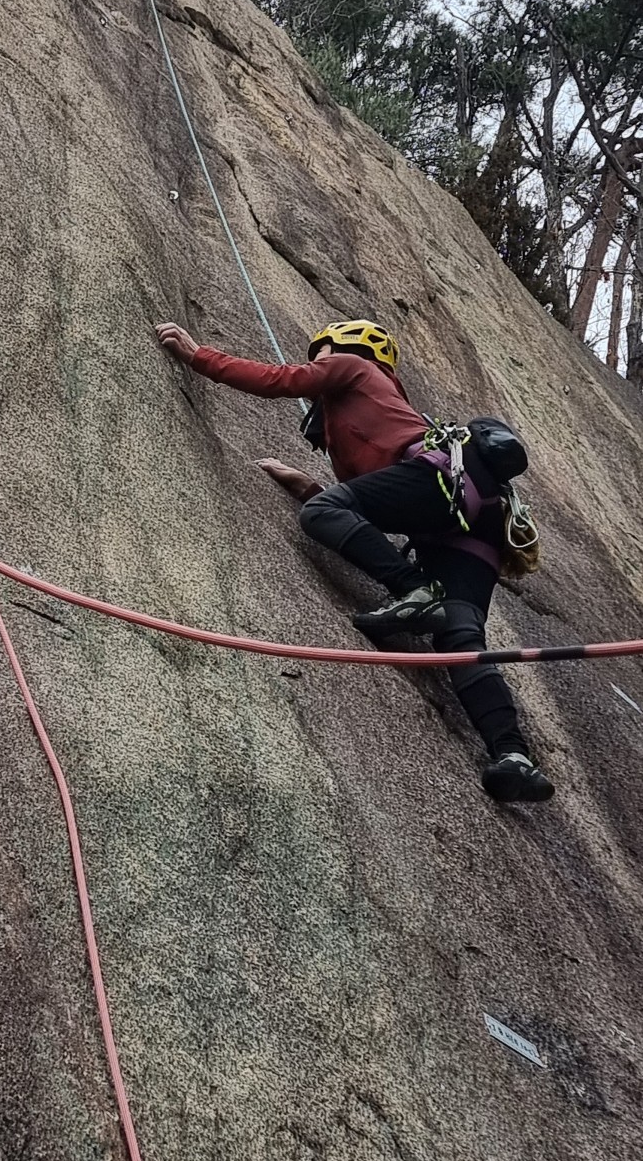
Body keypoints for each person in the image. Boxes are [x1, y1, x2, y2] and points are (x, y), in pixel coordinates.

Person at [156, 316, 554, 805]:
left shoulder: (354, 368)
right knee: (461, 640)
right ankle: (513, 756)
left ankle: (414, 590)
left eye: (320, 350)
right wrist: (308, 486)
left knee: (323, 515)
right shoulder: (377, 412)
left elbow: (282, 381)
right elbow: (379, 502)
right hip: (471, 521)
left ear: (341, 347)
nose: (316, 360)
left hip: (437, 487)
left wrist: (200, 357)